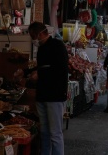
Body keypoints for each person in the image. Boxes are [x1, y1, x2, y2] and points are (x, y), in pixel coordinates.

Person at [28, 21, 68, 155]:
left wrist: (40, 74)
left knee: (55, 133)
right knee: (44, 132)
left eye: (33, 36)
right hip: (42, 95)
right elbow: (41, 67)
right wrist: (26, 72)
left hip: (55, 96)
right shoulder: (41, 49)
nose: (34, 40)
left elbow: (60, 69)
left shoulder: (58, 46)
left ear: (40, 33)